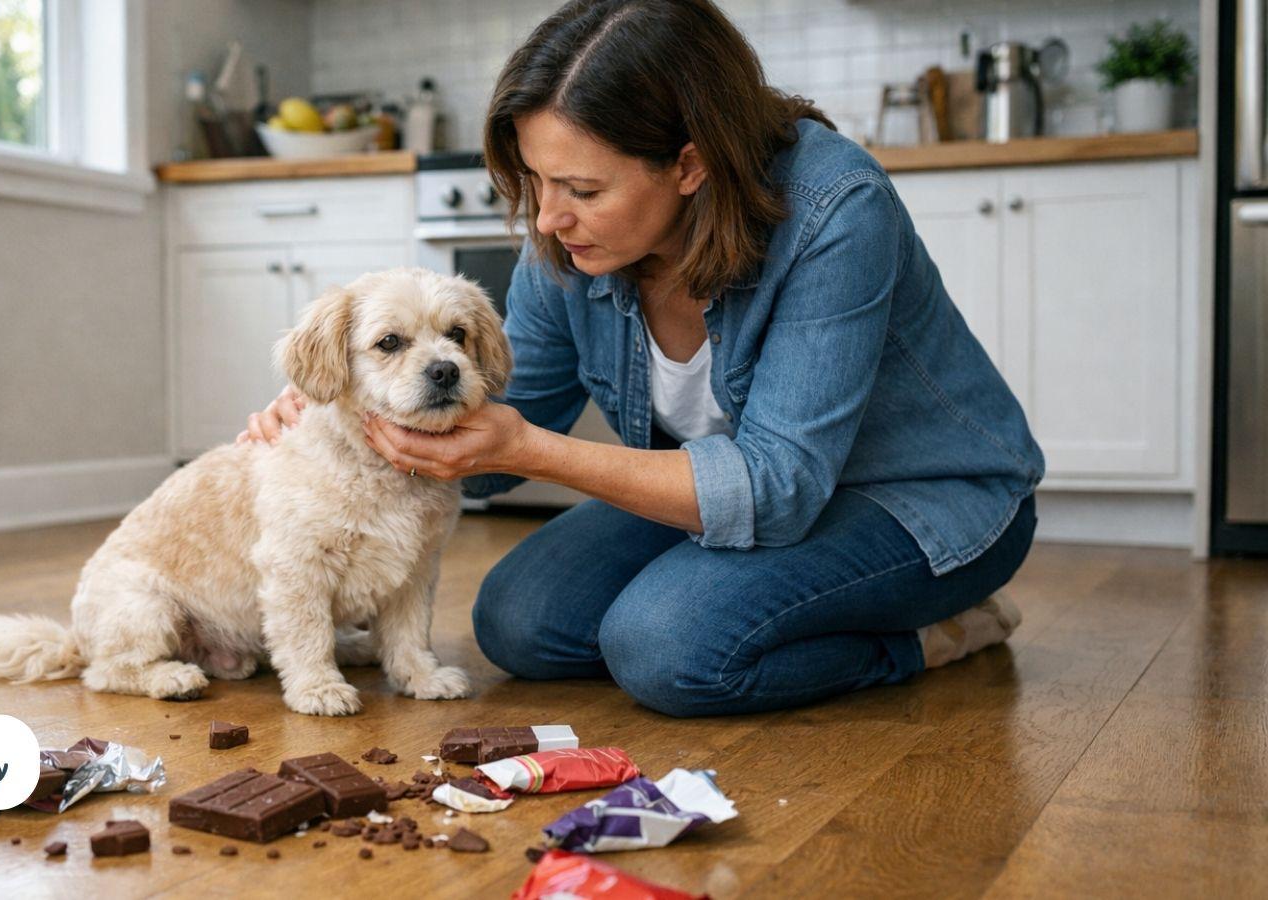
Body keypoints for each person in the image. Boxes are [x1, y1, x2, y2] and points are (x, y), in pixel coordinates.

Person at [239, 0, 1044, 717]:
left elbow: (779, 487)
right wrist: (350, 415)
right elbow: (484, 462)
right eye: (536, 181)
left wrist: (529, 448)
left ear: (689, 166)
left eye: (583, 191)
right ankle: (752, 604)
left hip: (917, 502)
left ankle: (934, 633)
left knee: (670, 650)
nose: (549, 219)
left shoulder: (836, 208)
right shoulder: (566, 247)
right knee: (517, 623)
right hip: (719, 495)